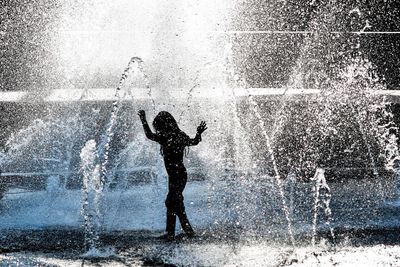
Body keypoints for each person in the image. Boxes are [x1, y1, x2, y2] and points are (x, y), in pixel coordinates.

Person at [138, 110, 207, 240]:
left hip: (176, 175)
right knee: (176, 203)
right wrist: (198, 133)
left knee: (171, 202)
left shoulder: (165, 137)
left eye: (158, 126)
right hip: (180, 174)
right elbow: (194, 142)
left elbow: (149, 135)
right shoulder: (179, 135)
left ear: (163, 125)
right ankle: (187, 231)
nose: (157, 129)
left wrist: (143, 120)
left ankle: (172, 234)